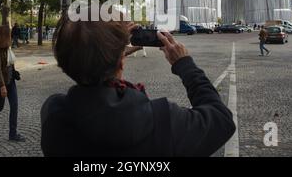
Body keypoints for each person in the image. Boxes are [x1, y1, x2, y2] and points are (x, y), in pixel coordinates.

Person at [40, 12, 236, 156]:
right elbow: (221, 119)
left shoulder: (55, 114)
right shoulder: (163, 120)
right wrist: (184, 65)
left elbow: (84, 66)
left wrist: (108, 50)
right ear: (121, 62)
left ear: (62, 64)